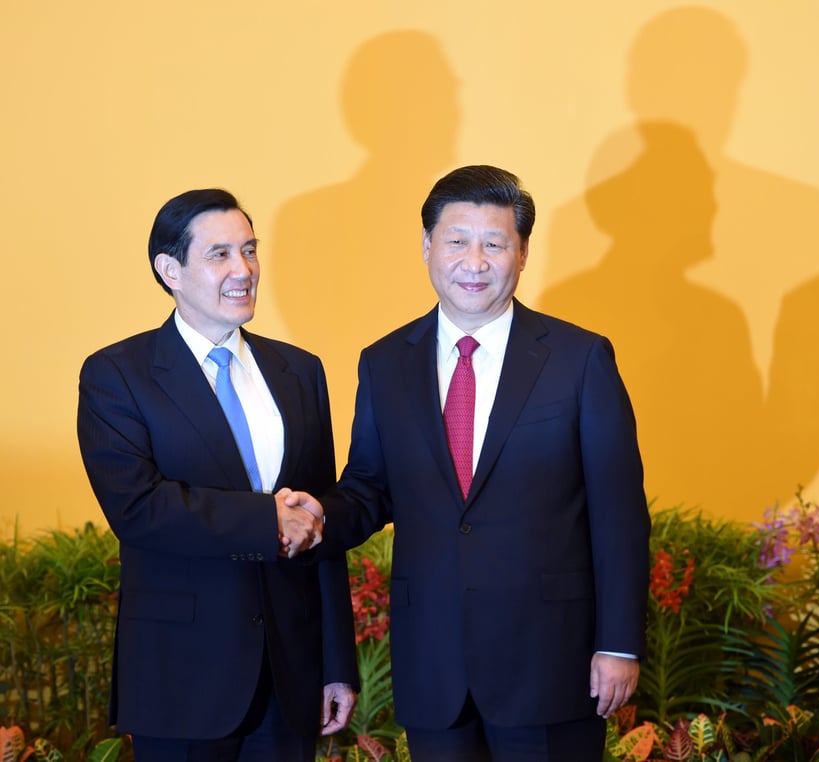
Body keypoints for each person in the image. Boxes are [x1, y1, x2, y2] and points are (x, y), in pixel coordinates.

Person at [311, 165, 651, 761]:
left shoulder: (579, 359)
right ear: (426, 247)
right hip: (434, 666)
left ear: (522, 253)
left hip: (553, 663)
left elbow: (619, 515)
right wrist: (312, 515)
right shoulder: (385, 363)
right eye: (456, 240)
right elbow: (369, 487)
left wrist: (619, 643)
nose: (475, 261)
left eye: (494, 243)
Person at [77, 188, 359, 762]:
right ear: (169, 269)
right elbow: (138, 510)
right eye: (221, 254)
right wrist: (265, 519)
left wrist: (336, 664)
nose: (244, 270)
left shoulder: (299, 371)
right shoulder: (117, 374)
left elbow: (317, 522)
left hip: (291, 678)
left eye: (250, 251)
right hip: (181, 678)